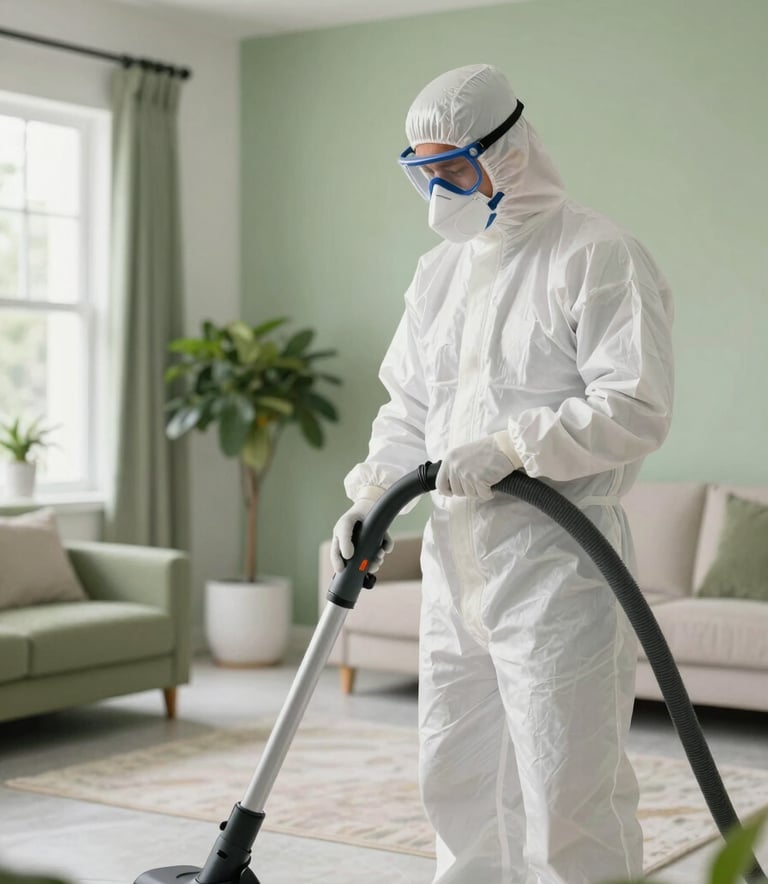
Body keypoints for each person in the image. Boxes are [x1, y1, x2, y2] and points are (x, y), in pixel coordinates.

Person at [330, 64, 674, 884]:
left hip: (557, 567)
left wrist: (514, 448)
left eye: (452, 166)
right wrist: (375, 489)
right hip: (456, 567)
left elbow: (637, 404)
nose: (438, 189)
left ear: (509, 152)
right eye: (423, 172)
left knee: (567, 791)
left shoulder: (596, 255)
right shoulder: (437, 274)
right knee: (456, 775)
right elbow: (407, 405)